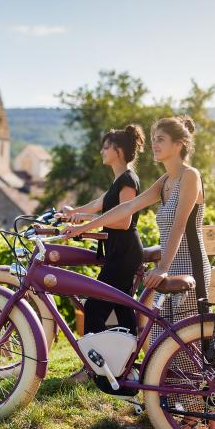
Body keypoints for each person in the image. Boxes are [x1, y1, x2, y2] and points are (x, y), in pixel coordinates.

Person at [64, 116, 214, 429]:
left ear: (179, 145)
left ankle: (201, 414)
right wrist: (82, 226)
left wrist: (162, 268)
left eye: (161, 139)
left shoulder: (190, 177)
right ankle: (175, 410)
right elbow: (124, 209)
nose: (155, 145)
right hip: (171, 267)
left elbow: (177, 228)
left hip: (190, 268)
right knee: (162, 342)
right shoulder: (165, 182)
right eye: (154, 139)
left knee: (184, 344)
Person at [61, 124, 145, 382]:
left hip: (124, 253)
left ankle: (93, 369)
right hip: (118, 252)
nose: (102, 151)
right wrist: (72, 214)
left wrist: (84, 225)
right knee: (121, 310)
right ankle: (126, 365)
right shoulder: (119, 180)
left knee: (95, 307)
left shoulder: (128, 181)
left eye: (106, 146)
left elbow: (123, 221)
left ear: (118, 151)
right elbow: (99, 206)